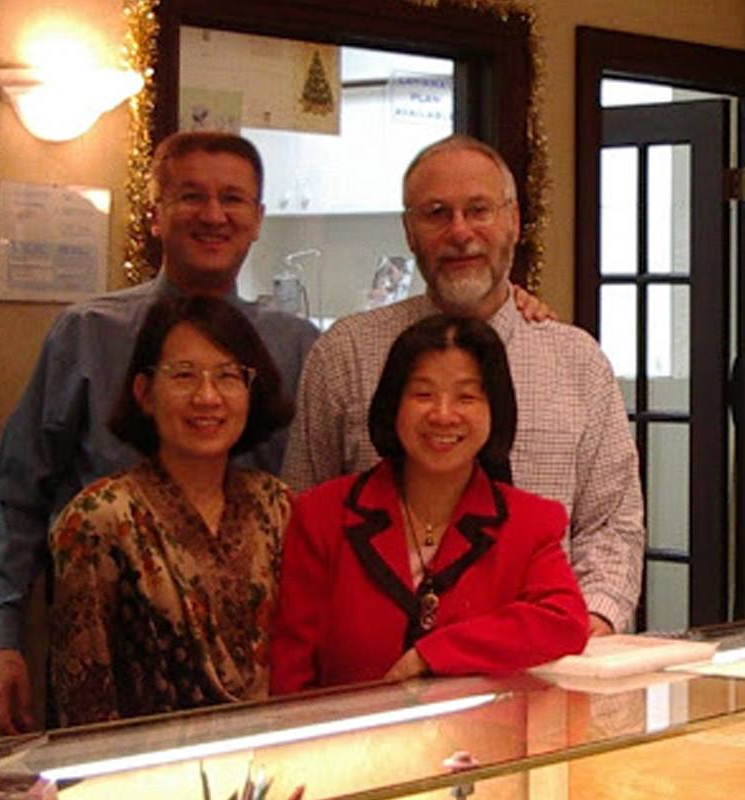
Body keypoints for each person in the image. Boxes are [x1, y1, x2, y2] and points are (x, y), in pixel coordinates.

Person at [0, 132, 318, 734]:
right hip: (113, 679)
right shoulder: (88, 334)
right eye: (191, 196)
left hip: (264, 693)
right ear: (155, 214)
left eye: (233, 199)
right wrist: (1, 643)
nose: (213, 215)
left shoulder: (298, 344)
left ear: (258, 219)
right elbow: (11, 494)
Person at [282, 134, 645, 642]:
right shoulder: (347, 354)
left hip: (550, 669)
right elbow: (302, 517)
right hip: (379, 682)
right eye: (436, 213)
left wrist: (580, 628)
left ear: (514, 222)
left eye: (479, 210)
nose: (460, 232)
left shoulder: (576, 361)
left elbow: (612, 526)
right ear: (409, 231)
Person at [270, 315, 589, 691]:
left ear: (494, 410)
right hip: (344, 745)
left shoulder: (530, 522)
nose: (442, 414)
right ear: (393, 404)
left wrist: (434, 654)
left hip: (483, 745)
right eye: (423, 394)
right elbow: (290, 676)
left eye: (466, 397)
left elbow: (565, 623)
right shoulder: (322, 515)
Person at [49, 294, 294, 724]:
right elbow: (85, 701)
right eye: (184, 376)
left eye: (227, 377)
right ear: (144, 393)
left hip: (269, 770)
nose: (207, 397)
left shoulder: (275, 506)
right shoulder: (99, 519)